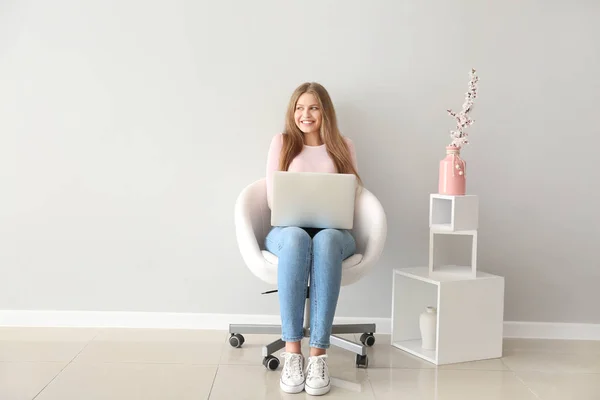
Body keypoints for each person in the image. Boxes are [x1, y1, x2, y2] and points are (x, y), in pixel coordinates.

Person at [265, 82, 362, 396]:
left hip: (333, 233)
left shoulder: (343, 145)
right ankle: (293, 354)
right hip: (287, 231)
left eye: (313, 107)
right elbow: (271, 197)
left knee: (326, 241)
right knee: (295, 239)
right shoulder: (282, 143)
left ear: (325, 112)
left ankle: (318, 357)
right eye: (299, 108)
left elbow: (354, 193)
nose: (305, 114)